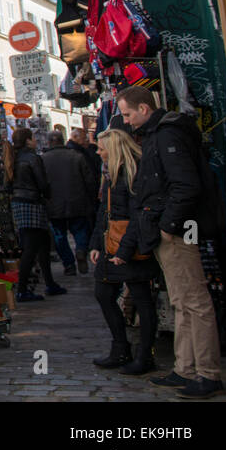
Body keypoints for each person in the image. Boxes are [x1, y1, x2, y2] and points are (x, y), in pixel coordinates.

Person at [116, 86, 226, 399]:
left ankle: (206, 373)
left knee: (193, 301)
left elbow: (185, 185)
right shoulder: (159, 134)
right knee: (182, 301)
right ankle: (186, 368)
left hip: (176, 231)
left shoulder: (166, 135)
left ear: (143, 109)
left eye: (127, 114)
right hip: (169, 229)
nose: (127, 122)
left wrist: (167, 226)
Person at [90, 128, 157, 375]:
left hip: (131, 246)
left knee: (141, 298)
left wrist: (125, 250)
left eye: (101, 148)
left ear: (114, 149)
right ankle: (121, 348)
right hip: (113, 244)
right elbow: (104, 212)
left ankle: (144, 355)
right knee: (103, 292)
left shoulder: (132, 173)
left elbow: (137, 216)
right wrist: (97, 243)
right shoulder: (110, 174)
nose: (98, 152)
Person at [11, 128, 66, 302]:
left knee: (42, 244)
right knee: (31, 247)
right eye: (33, 138)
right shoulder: (32, 158)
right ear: (28, 140)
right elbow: (42, 182)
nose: (35, 140)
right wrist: (48, 195)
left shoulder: (14, 157)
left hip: (20, 202)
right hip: (33, 203)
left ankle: (49, 282)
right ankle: (22, 289)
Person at [43, 130, 98, 276]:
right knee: (80, 230)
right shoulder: (77, 156)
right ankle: (80, 250)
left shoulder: (43, 159)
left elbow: (42, 184)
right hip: (77, 201)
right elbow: (90, 180)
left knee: (60, 235)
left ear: (49, 142)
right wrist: (92, 200)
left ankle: (69, 264)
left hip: (54, 204)